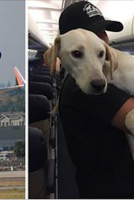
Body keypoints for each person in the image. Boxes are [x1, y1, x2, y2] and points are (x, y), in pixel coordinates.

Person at [58, 1, 134, 198]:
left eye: (104, 33)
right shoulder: (85, 85)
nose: (102, 40)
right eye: (94, 34)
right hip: (112, 191)